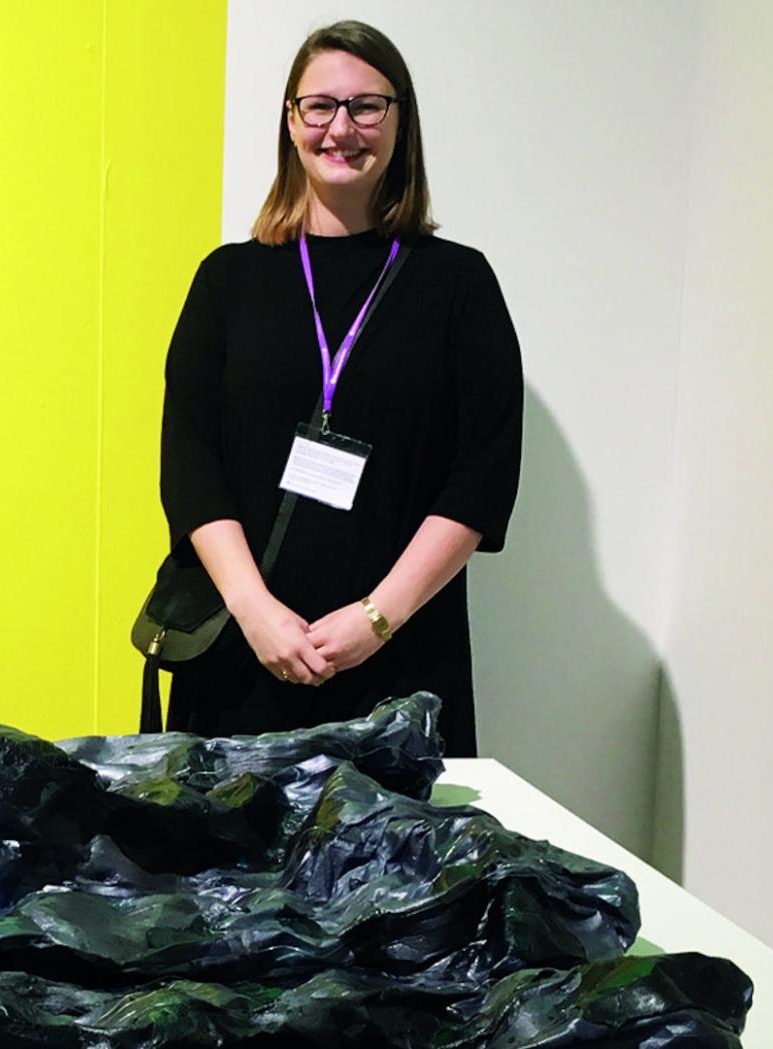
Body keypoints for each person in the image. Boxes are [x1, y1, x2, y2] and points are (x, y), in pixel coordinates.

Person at [158, 20, 522, 757]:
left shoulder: (459, 284)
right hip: (240, 654)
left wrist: (377, 618)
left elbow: (482, 474)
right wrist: (255, 611)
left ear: (400, 121)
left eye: (367, 106)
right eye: (319, 106)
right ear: (291, 122)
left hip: (400, 663)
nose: (342, 128)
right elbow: (189, 462)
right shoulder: (227, 280)